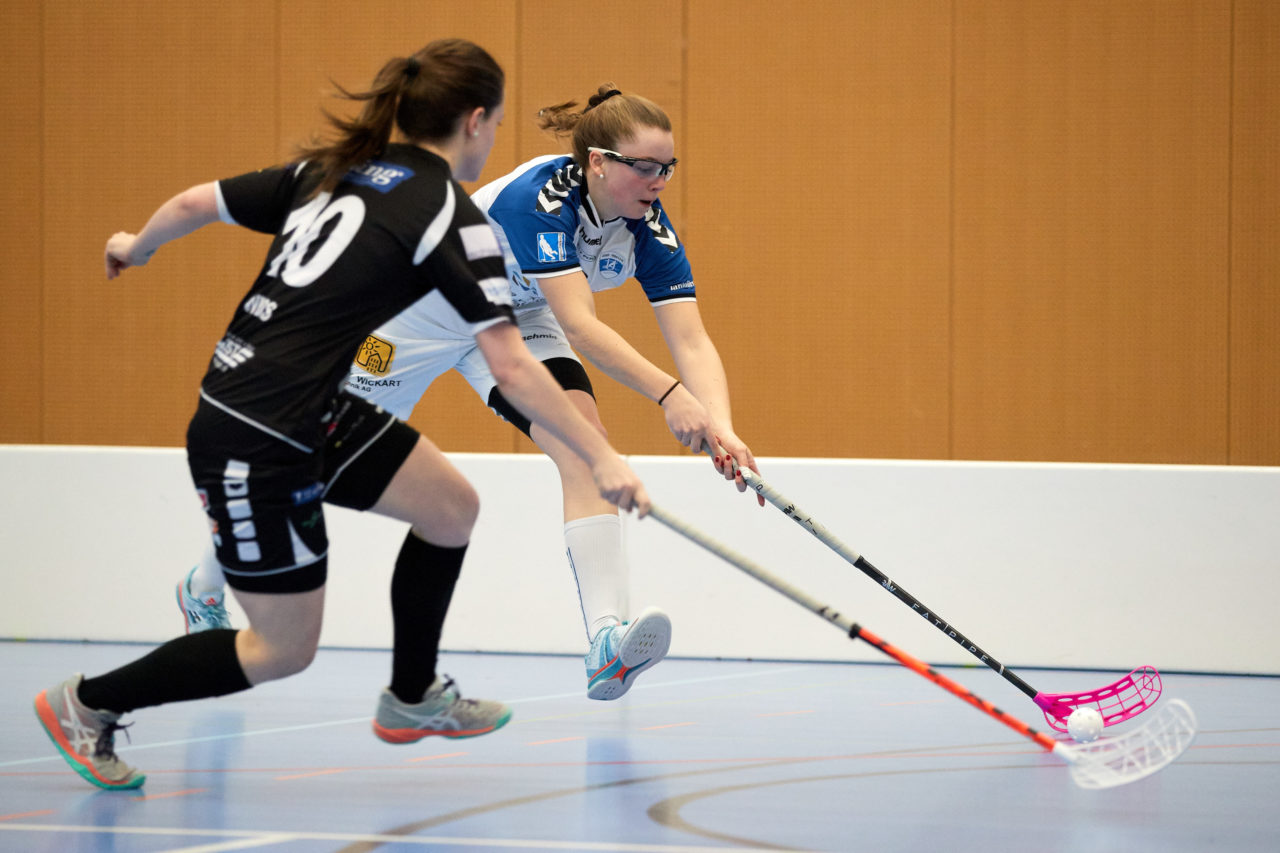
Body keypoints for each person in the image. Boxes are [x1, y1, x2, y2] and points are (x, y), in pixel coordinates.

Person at [34, 40, 651, 792]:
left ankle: (413, 695)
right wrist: (601, 456)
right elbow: (513, 366)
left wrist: (137, 245)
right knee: (281, 650)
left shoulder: (327, 172)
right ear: (475, 121)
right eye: (493, 124)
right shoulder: (453, 219)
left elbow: (197, 203)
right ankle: (87, 703)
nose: (492, 138)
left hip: (312, 409)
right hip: (258, 431)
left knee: (450, 508)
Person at [176, 83, 760, 702]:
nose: (659, 181)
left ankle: (605, 641)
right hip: (418, 315)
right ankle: (205, 584)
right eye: (644, 167)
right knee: (314, 459)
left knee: (586, 445)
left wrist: (721, 425)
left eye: (667, 167)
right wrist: (670, 396)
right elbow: (581, 326)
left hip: (515, 322)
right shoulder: (540, 198)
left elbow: (691, 338)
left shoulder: (648, 229)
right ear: (597, 162)